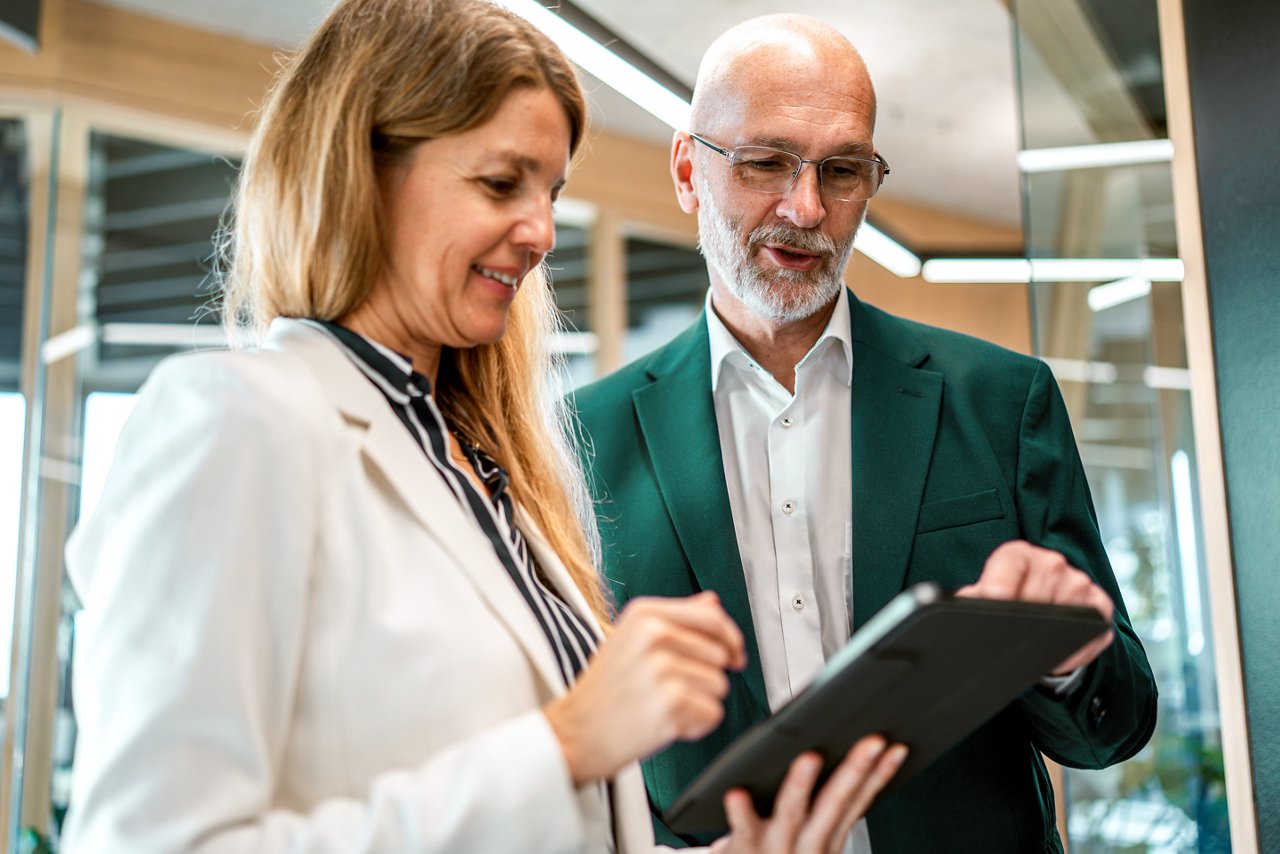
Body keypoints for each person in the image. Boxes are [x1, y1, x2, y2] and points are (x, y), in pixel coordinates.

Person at [60, 1, 908, 851]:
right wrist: (567, 743)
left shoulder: (485, 465)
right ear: (362, 170)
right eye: (502, 183)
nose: (541, 232)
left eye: (552, 192)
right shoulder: (238, 423)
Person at [570, 14, 1158, 853]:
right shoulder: (582, 440)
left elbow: (1114, 725)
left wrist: (1063, 653)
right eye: (767, 161)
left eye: (841, 170)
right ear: (687, 171)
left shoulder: (1000, 400)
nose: (806, 207)